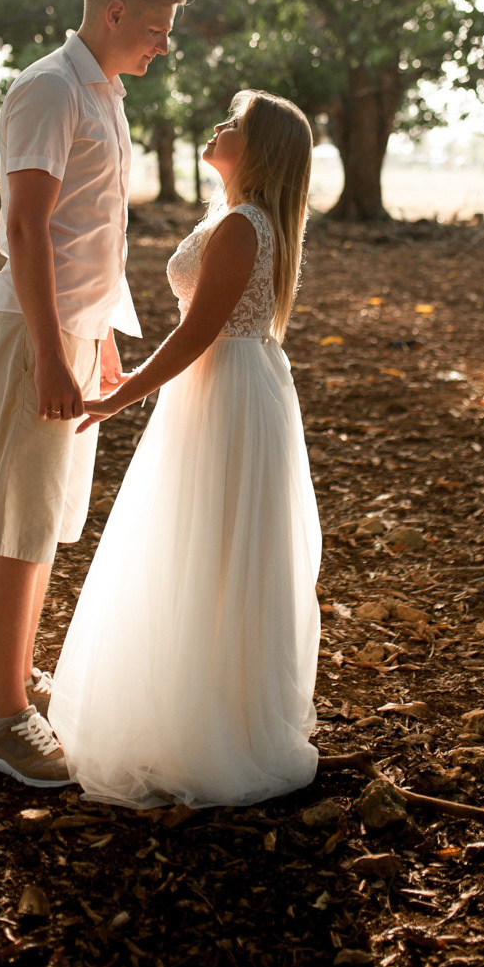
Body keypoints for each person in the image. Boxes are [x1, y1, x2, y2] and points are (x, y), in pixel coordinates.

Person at [49, 90, 321, 808]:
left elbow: (198, 332)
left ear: (258, 151)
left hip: (225, 390)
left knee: (211, 545)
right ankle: (197, 710)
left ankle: (211, 728)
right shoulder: (236, 218)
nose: (219, 126)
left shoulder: (242, 226)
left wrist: (120, 396)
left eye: (235, 124)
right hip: (221, 387)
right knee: (199, 544)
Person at [0, 0, 186, 786]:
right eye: (156, 29)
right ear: (115, 12)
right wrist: (52, 350)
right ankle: (3, 721)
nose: (164, 45)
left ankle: (17, 682)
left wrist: (102, 335)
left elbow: (91, 232)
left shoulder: (104, 93)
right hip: (34, 333)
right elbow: (27, 227)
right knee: (21, 523)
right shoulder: (50, 88)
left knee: (50, 522)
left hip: (75, 333)